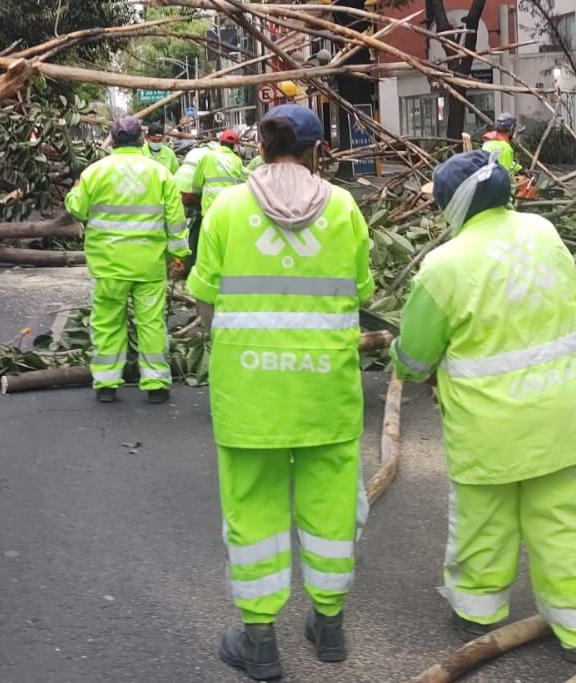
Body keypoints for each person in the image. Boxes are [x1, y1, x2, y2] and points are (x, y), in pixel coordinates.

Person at [390, 150, 576, 663]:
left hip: (491, 430)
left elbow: (416, 355)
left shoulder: (445, 266)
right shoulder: (545, 234)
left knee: (484, 524)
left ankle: (477, 612)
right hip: (564, 417)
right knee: (563, 522)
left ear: (452, 205)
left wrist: (405, 366)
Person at [187, 105, 374, 680]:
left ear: (260, 148)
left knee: (254, 513)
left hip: (250, 395)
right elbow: (361, 292)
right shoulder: (343, 208)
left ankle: (260, 640)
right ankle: (330, 627)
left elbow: (203, 301)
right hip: (326, 391)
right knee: (330, 510)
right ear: (317, 152)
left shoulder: (226, 208)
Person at [64, 117, 191, 404]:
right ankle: (156, 383)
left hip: (108, 264)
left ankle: (106, 384)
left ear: (113, 140)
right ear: (141, 140)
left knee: (108, 323)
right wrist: (179, 256)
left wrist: (74, 188)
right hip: (149, 265)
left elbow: (78, 210)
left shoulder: (94, 172)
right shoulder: (160, 174)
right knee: (151, 324)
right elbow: (175, 221)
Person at [176, 129, 247, 254]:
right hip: (228, 210)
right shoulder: (237, 161)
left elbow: (197, 180)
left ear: (220, 142)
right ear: (234, 146)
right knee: (225, 243)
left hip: (209, 209)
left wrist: (197, 194)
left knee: (208, 243)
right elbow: (245, 180)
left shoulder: (208, 157)